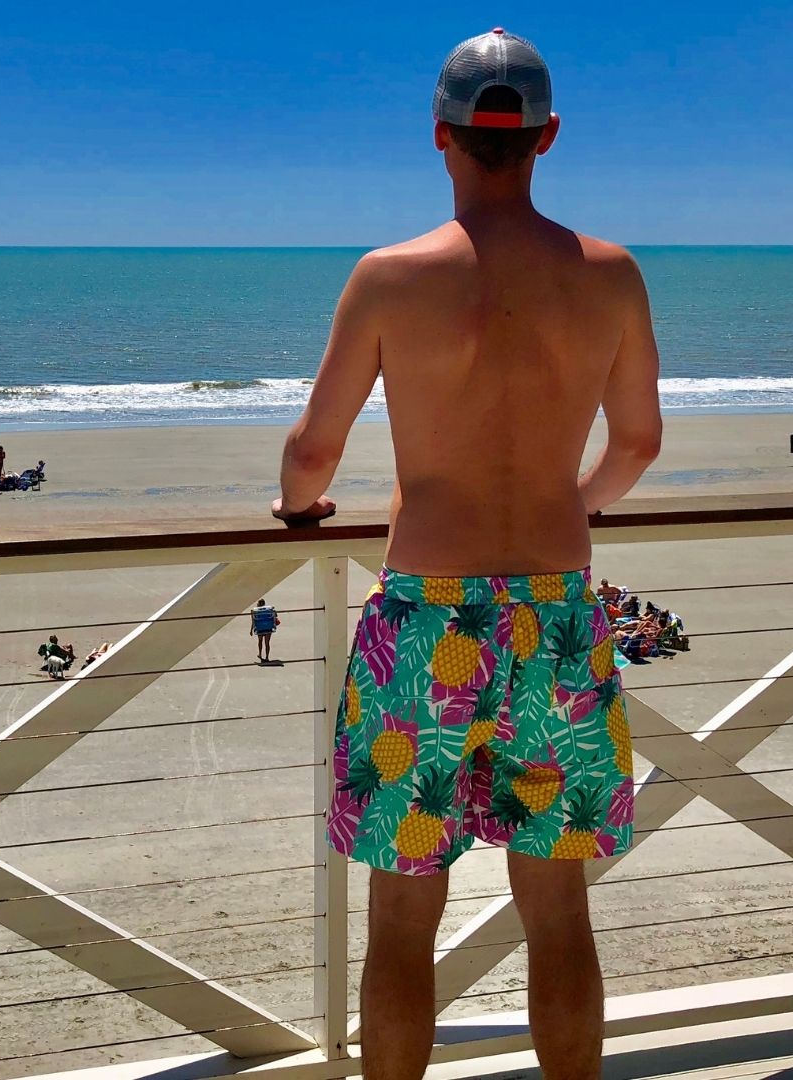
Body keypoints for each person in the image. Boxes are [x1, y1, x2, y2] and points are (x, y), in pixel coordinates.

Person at [271, 28, 661, 1080]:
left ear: (439, 135)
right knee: (558, 914)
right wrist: (563, 504)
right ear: (549, 137)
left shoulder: (389, 278)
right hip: (557, 614)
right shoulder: (613, 277)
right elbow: (638, 444)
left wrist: (297, 505)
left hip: (424, 620)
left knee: (402, 918)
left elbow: (314, 451)